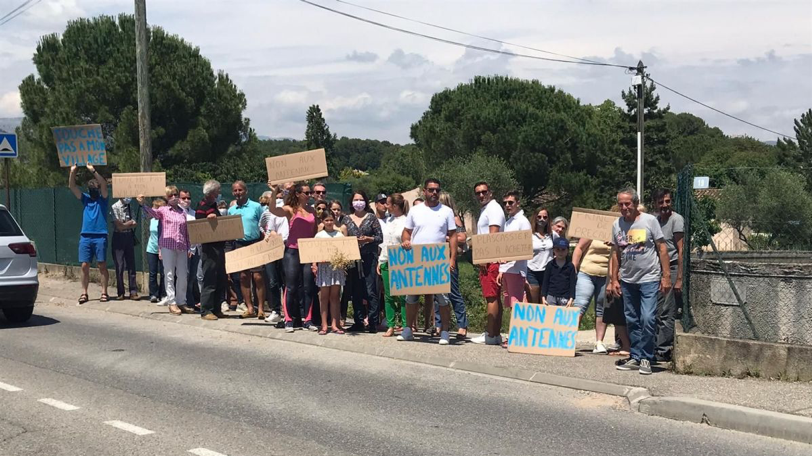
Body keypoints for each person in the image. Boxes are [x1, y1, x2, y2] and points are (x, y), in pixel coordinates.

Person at [609, 187, 671, 375]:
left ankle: (646, 357)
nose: (624, 207)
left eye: (627, 203)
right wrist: (614, 279)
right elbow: (615, 253)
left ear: (635, 204)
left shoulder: (649, 221)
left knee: (648, 318)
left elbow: (662, 248)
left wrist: (666, 276)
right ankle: (635, 356)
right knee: (632, 319)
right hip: (628, 280)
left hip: (649, 278)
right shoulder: (617, 225)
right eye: (621, 204)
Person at [398, 178, 458, 346]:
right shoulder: (415, 211)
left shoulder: (446, 211)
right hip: (416, 260)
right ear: (424, 191)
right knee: (412, 297)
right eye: (431, 190)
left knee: (443, 299)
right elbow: (406, 232)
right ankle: (408, 329)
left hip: (437, 261)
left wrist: (452, 259)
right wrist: (405, 241)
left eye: (437, 190)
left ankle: (445, 331)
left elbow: (453, 236)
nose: (434, 193)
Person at [266, 182, 318, 332]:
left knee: (309, 287)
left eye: (310, 193)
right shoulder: (290, 210)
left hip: (307, 250)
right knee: (291, 286)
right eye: (306, 193)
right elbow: (273, 209)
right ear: (298, 194)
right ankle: (288, 320)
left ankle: (308, 320)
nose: (309, 196)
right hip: (292, 251)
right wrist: (275, 192)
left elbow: (314, 233)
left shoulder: (312, 211)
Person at [137, 186, 193, 316]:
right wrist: (142, 204)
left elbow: (186, 232)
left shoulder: (182, 212)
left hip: (182, 246)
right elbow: (152, 214)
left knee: (183, 274)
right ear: (166, 198)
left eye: (175, 195)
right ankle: (172, 302)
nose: (174, 197)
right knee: (169, 274)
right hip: (167, 245)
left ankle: (181, 301)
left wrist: (189, 247)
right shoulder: (163, 210)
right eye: (170, 195)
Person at [69, 164, 110, 304]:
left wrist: (92, 170)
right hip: (86, 236)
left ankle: (104, 292)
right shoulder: (85, 199)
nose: (93, 190)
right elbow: (72, 187)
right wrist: (72, 172)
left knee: (102, 265)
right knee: (84, 265)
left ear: (98, 189)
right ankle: (84, 293)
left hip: (100, 236)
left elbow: (104, 184)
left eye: (95, 188)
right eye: (91, 188)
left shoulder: (103, 200)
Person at [471, 181, 506, 346]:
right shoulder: (487, 209)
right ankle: (495, 333)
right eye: (478, 193)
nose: (481, 195)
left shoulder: (493, 209)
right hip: (489, 258)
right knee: (494, 298)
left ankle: (490, 334)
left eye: (484, 192)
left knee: (491, 297)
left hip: (491, 259)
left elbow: (493, 235)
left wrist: (485, 257)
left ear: (490, 192)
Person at [344, 191, 383, 333]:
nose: (358, 202)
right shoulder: (346, 219)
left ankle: (373, 321)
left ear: (366, 202)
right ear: (351, 202)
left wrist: (368, 239)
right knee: (356, 290)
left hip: (369, 258)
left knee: (371, 289)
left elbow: (380, 237)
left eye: (361, 199)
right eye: (356, 199)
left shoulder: (372, 218)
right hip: (352, 259)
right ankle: (358, 321)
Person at [653, 188, 684, 362]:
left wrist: (678, 278)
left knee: (667, 310)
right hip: (657, 269)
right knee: (656, 310)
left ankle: (663, 349)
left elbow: (681, 250)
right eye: (661, 202)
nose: (664, 205)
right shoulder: (655, 221)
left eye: (667, 201)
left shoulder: (676, 220)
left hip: (671, 268)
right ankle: (656, 345)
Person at [228, 181, 267, 319]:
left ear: (246, 191)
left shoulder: (256, 207)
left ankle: (261, 308)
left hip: (255, 243)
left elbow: (264, 225)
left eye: (240, 190)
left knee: (258, 276)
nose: (238, 193)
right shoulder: (231, 210)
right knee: (243, 277)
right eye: (235, 190)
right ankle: (250, 307)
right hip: (239, 244)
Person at [433, 191, 469, 340]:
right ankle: (439, 325)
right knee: (437, 294)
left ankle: (462, 325)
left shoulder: (454, 218)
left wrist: (446, 236)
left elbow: (462, 237)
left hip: (448, 257)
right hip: (435, 258)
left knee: (453, 292)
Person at [572, 233, 614, 354]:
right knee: (580, 305)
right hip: (587, 273)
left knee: (601, 308)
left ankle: (599, 342)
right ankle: (569, 339)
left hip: (606, 276)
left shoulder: (618, 234)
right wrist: (574, 267)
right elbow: (579, 248)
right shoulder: (593, 231)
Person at [195, 180, 229, 320]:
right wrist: (207, 219)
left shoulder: (214, 205)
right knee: (209, 278)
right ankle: (206, 310)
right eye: (217, 191)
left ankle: (216, 308)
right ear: (212, 193)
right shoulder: (202, 206)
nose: (219, 193)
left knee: (220, 278)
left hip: (219, 246)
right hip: (209, 248)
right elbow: (198, 224)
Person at [378, 193, 409, 337]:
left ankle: (405, 324)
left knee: (403, 295)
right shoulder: (387, 221)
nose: (386, 206)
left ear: (395, 206)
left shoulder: (407, 221)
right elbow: (385, 243)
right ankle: (390, 325)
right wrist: (380, 260)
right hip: (386, 259)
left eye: (388, 204)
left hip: (401, 261)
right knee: (389, 295)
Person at [312, 210, 346, 335]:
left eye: (331, 220)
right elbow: (314, 252)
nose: (329, 222)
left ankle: (335, 324)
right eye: (326, 220)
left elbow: (345, 252)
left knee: (335, 297)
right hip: (324, 268)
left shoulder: (339, 235)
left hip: (336, 268)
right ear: (322, 222)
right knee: (324, 297)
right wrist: (315, 264)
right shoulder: (319, 236)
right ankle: (324, 325)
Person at [497, 191, 531, 309]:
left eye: (510, 202)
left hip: (517, 271)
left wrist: (509, 259)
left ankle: (523, 327)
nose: (507, 205)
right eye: (505, 203)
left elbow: (526, 249)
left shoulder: (523, 222)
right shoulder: (508, 222)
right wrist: (502, 269)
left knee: (518, 305)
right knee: (512, 304)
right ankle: (516, 327)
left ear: (518, 203)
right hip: (508, 270)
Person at [259, 191, 288, 324]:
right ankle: (276, 310)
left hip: (287, 248)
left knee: (287, 282)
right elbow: (267, 229)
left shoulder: (291, 212)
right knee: (272, 281)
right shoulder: (270, 213)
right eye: (278, 198)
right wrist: (270, 234)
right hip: (272, 248)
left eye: (283, 197)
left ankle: (289, 311)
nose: (280, 200)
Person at [110, 195, 139, 300]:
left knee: (131, 264)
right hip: (118, 236)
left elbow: (135, 223)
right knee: (119, 265)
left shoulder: (131, 207)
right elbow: (119, 226)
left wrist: (125, 225)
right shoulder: (115, 207)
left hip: (129, 236)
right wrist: (128, 223)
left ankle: (133, 291)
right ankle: (120, 291)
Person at [526, 208, 554, 304]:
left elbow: (561, 247)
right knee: (534, 302)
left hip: (547, 271)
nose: (542, 219)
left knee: (545, 301)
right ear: (535, 218)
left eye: (545, 217)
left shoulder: (553, 235)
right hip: (532, 270)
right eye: (539, 217)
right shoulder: (529, 235)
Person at [180, 189, 202, 310]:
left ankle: (192, 300)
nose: (187, 200)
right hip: (183, 249)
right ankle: (186, 300)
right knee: (185, 276)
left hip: (195, 248)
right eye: (184, 198)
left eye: (188, 198)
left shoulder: (194, 213)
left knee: (193, 276)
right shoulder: (177, 213)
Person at [541, 237, 576, 307]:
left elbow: (572, 283)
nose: (560, 252)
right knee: (550, 316)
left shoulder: (570, 266)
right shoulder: (550, 265)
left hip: (565, 296)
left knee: (563, 317)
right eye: (558, 249)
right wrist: (543, 297)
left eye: (563, 250)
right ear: (553, 250)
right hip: (551, 295)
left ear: (567, 250)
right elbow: (545, 281)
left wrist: (571, 298)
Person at [145, 198, 166, 303]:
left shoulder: (165, 221)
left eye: (155, 207)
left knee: (164, 273)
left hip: (163, 249)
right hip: (151, 248)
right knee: (152, 272)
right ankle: (153, 294)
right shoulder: (151, 219)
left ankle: (163, 294)